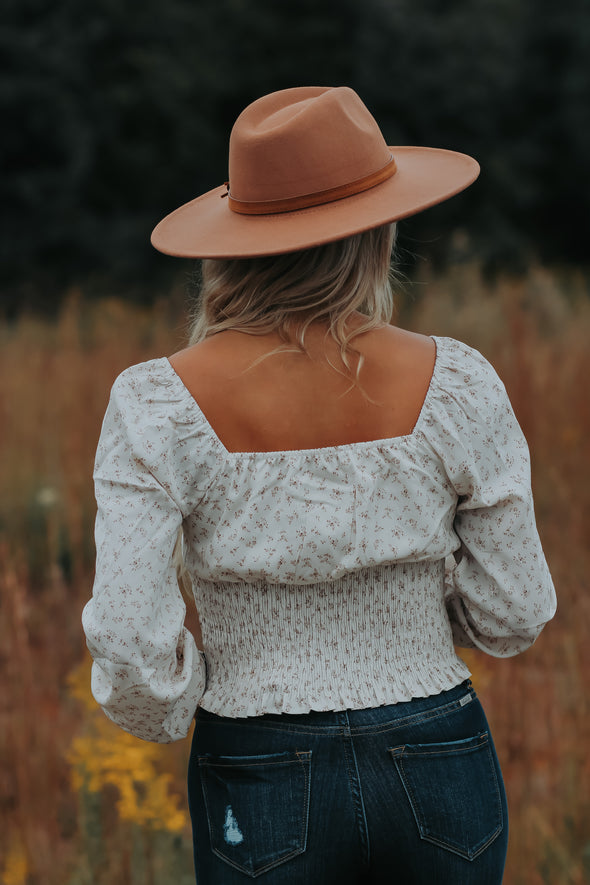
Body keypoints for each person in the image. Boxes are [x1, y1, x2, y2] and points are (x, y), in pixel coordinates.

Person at [82, 86, 556, 884]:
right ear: (379, 231)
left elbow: (130, 643)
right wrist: (410, 611)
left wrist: (193, 691)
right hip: (439, 752)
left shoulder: (155, 403)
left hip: (258, 763)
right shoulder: (460, 383)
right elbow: (516, 609)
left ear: (231, 240)